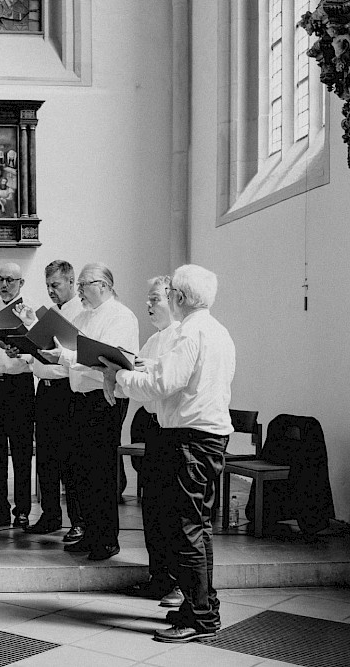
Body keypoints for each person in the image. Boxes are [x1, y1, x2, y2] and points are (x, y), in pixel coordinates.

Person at [102, 264, 235, 643]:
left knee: (187, 529)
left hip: (189, 440)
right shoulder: (217, 330)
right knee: (198, 527)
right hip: (206, 437)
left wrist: (120, 376)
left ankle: (201, 619)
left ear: (179, 297)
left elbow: (163, 384)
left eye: (170, 291)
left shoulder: (190, 333)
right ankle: (201, 605)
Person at [40, 262, 139, 561]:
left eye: (84, 285)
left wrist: (66, 357)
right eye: (79, 285)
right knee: (80, 469)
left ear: (105, 286)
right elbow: (73, 352)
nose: (79, 290)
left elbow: (106, 359)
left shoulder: (121, 316)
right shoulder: (84, 315)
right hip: (80, 397)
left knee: (101, 472)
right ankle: (88, 531)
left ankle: (107, 539)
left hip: (104, 398)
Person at [118, 276, 183, 607]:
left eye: (155, 299)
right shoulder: (155, 338)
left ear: (173, 300)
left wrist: (143, 371)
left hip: (174, 430)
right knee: (153, 510)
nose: (149, 305)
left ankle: (178, 582)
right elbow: (136, 378)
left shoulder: (181, 337)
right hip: (153, 426)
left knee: (172, 512)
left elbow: (168, 381)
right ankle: (158, 577)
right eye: (148, 299)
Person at [21, 261, 85, 540]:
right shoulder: (49, 315)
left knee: (70, 459)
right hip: (44, 390)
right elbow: (42, 355)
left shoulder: (81, 314)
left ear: (71, 282)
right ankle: (50, 515)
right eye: (47, 285)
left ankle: (78, 521)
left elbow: (72, 359)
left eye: (55, 285)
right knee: (45, 457)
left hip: (66, 390)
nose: (50, 291)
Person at [0, 263, 36, 529]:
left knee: (21, 451)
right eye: (0, 278)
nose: (4, 284)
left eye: (10, 280)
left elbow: (38, 351)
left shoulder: (29, 314)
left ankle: (22, 510)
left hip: (19, 385)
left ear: (21, 283)